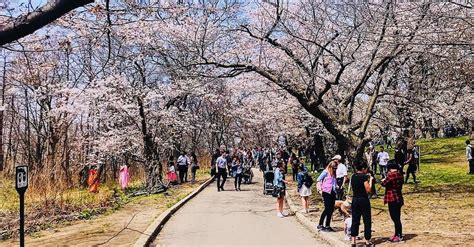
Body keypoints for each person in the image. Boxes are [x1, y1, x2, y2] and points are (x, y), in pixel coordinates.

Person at [350, 162, 373, 246]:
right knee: (367, 220)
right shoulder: (364, 177)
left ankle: (353, 241)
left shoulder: (353, 176)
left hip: (355, 199)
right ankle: (367, 241)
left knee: (355, 220)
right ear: (363, 169)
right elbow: (368, 189)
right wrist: (370, 180)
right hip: (363, 199)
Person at [381, 160, 405, 243]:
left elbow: (384, 183)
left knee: (395, 218)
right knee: (397, 217)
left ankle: (399, 235)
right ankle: (397, 234)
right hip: (399, 197)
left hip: (392, 198)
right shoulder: (400, 175)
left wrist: (383, 179)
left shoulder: (391, 175)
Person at [316, 156, 339, 232]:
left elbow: (334, 182)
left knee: (331, 209)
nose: (335, 169)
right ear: (330, 167)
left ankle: (327, 225)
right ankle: (320, 224)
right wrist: (320, 190)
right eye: (333, 168)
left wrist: (337, 186)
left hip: (333, 192)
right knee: (327, 209)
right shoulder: (325, 172)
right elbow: (318, 180)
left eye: (336, 168)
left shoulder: (334, 174)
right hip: (326, 192)